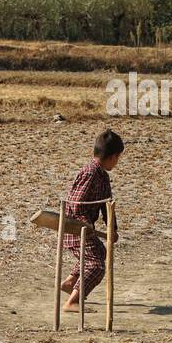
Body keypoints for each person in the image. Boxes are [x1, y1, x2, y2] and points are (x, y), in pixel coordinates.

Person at [61, 129, 123, 312]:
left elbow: (107, 205)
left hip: (83, 227)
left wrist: (112, 228)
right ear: (112, 157)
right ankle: (73, 301)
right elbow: (76, 203)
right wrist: (85, 225)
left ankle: (70, 282)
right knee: (96, 264)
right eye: (118, 158)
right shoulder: (90, 173)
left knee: (98, 252)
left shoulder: (103, 176)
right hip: (74, 227)